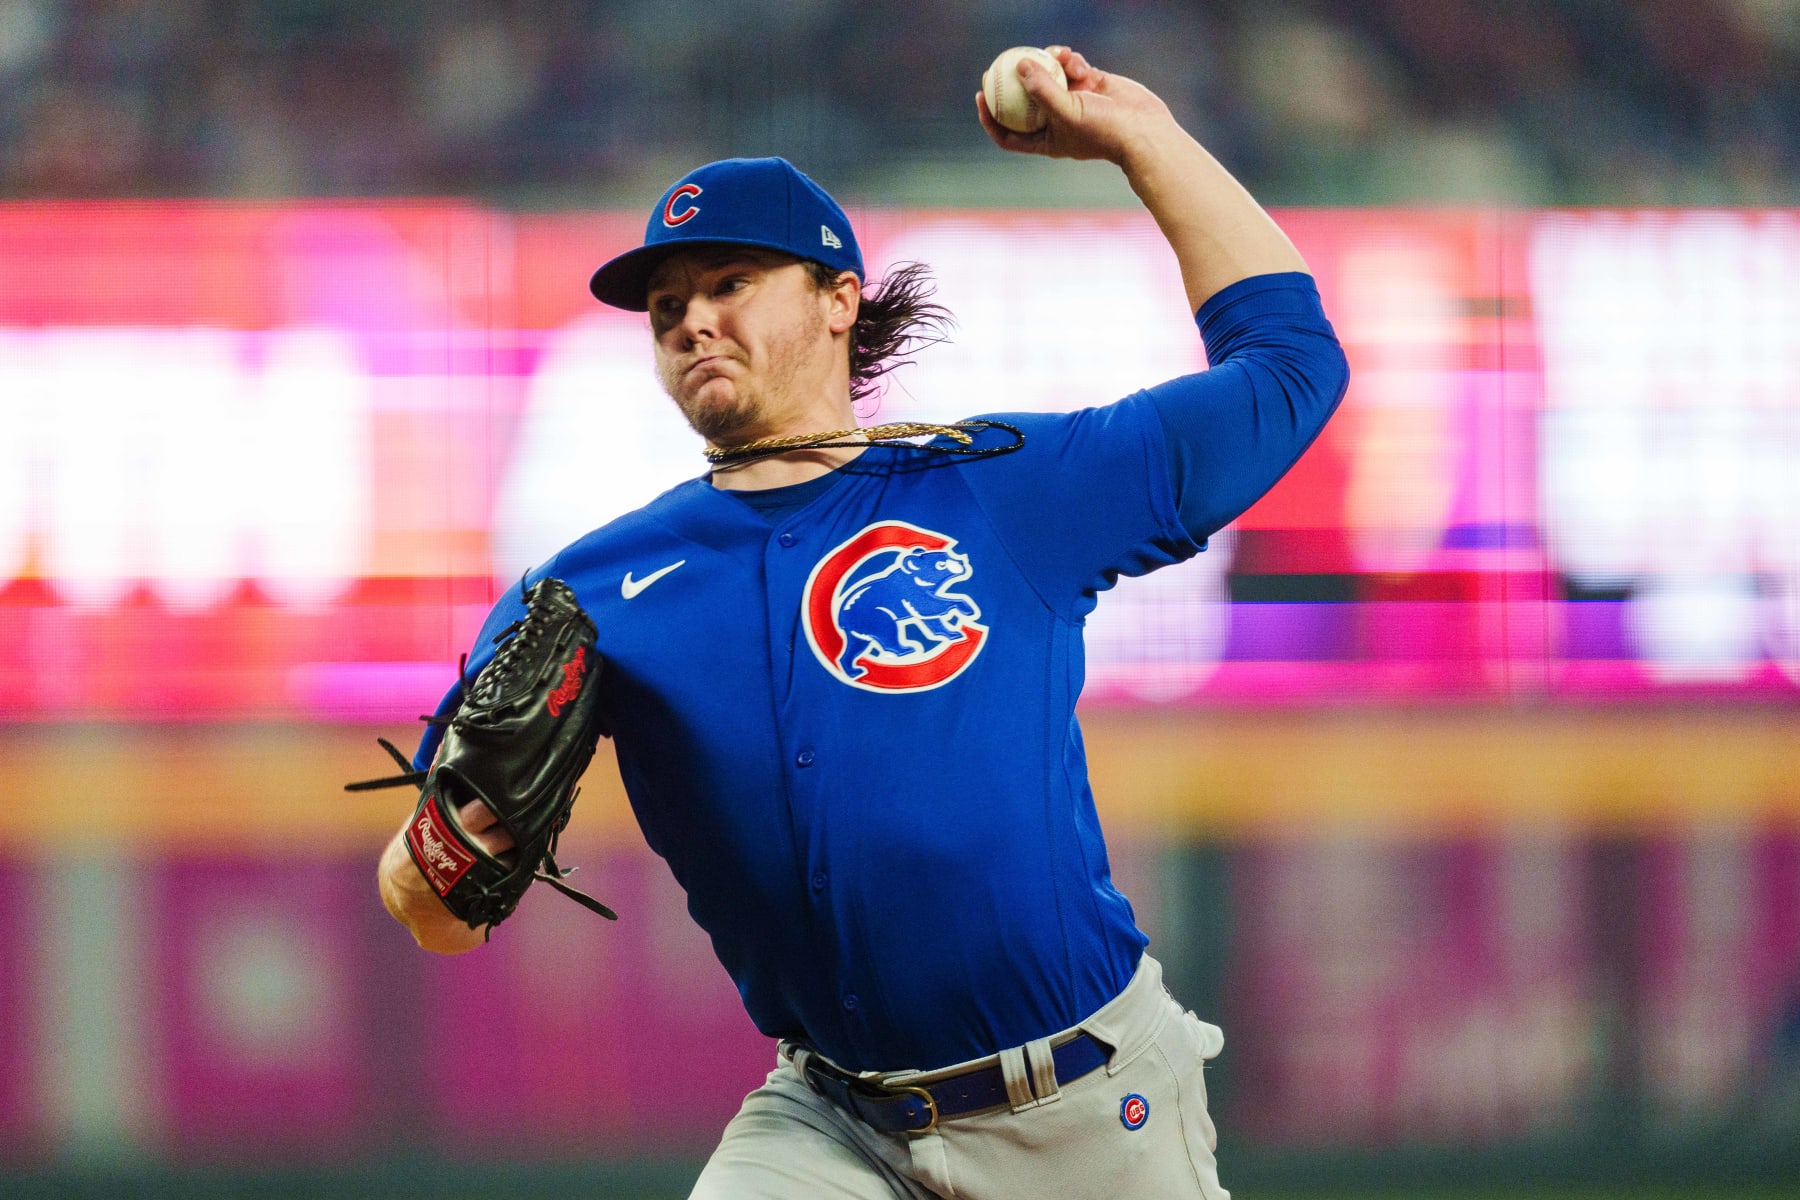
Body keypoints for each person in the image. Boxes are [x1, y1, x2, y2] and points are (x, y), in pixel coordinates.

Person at [377, 46, 1347, 1199]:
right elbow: (425, 904)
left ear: (840, 300)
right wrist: (437, 862)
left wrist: (1144, 140)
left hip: (1084, 1112)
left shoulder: (999, 490)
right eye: (667, 307)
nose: (691, 320)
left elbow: (1289, 370)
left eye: (729, 281)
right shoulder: (590, 591)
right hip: (828, 1124)